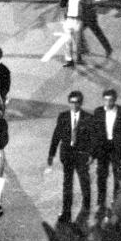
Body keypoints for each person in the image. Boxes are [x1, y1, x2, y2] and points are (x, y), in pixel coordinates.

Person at [47, 91, 95, 225]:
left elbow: (93, 138)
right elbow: (56, 136)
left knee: (84, 181)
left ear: (81, 103)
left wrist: (92, 154)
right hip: (67, 155)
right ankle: (66, 212)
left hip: (81, 155)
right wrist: (51, 154)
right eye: (72, 102)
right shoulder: (63, 117)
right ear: (69, 102)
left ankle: (86, 207)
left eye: (77, 102)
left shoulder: (88, 118)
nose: (74, 105)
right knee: (67, 184)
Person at [92, 89, 121, 215]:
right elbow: (93, 131)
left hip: (117, 148)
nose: (108, 102)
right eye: (106, 100)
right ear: (103, 99)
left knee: (118, 175)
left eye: (110, 100)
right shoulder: (98, 112)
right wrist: (95, 150)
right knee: (101, 175)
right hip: (103, 148)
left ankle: (116, 201)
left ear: (115, 100)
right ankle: (101, 202)